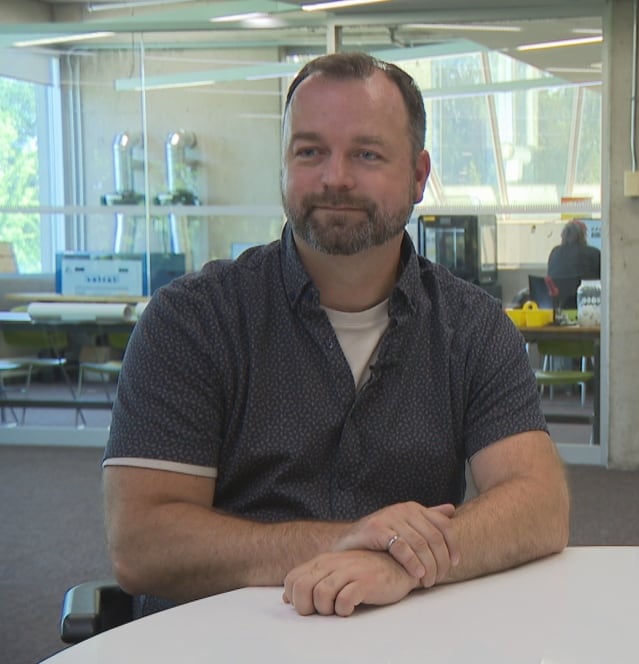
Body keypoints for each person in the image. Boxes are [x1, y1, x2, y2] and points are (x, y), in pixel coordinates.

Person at [103, 52, 569, 619]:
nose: (335, 177)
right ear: (282, 166)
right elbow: (142, 543)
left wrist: (399, 563)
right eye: (310, 152)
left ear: (419, 176)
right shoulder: (193, 322)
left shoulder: (470, 326)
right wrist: (357, 540)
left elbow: (539, 504)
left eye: (367, 154)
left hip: (404, 636)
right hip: (226, 639)